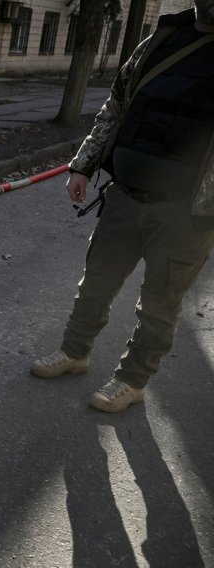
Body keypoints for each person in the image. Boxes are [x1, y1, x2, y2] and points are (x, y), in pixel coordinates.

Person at [31, 0, 214, 412]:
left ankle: (133, 381)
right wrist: (83, 165)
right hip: (126, 196)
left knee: (159, 303)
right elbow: (115, 108)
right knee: (95, 282)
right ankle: (75, 353)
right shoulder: (160, 41)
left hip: (188, 216)